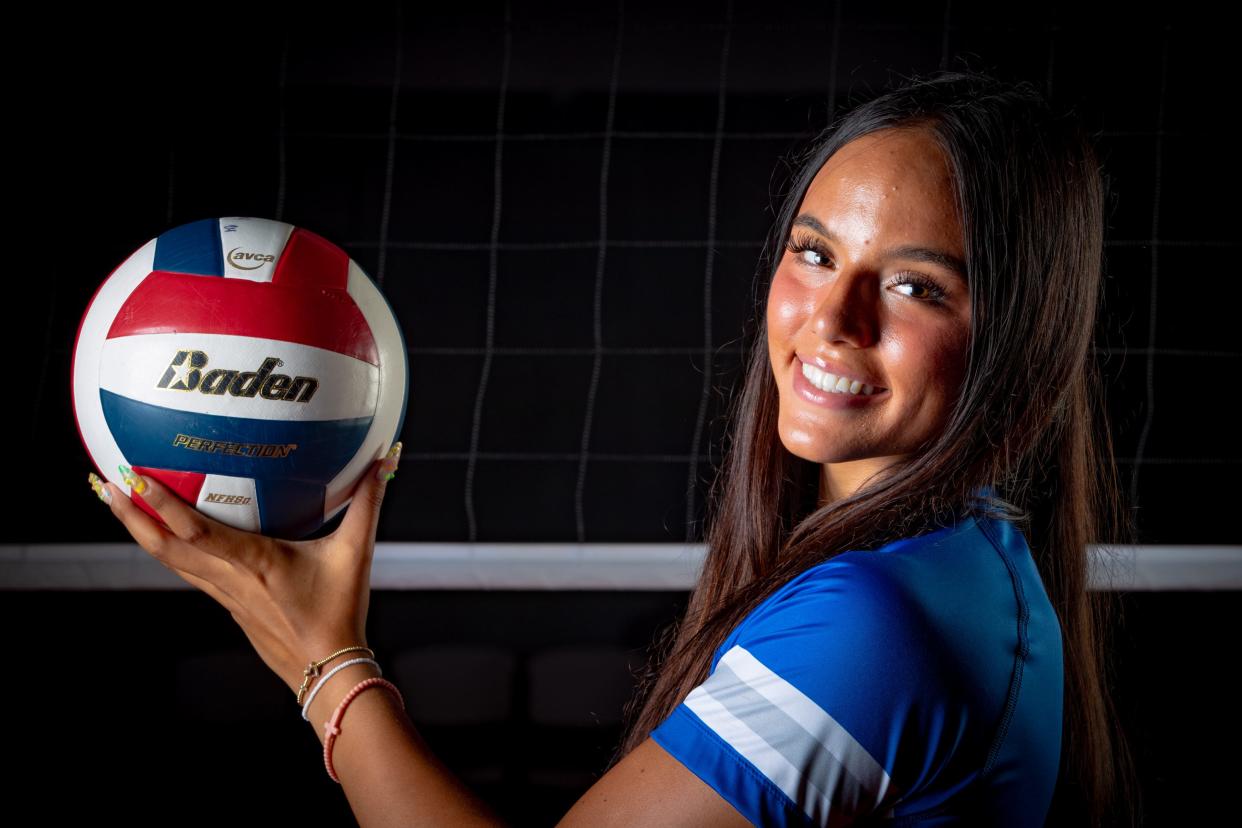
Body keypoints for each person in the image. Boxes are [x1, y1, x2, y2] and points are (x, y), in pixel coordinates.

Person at [90, 68, 1141, 827]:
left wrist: (325, 663)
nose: (831, 319)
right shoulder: (970, 562)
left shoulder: (877, 621)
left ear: (1017, 334)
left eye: (917, 285)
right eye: (814, 254)